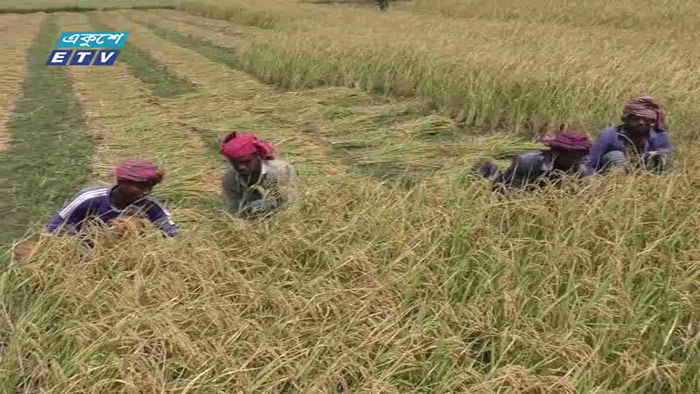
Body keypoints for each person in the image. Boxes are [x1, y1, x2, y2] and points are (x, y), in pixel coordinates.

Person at [46, 158, 179, 239]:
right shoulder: (89, 198)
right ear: (121, 182)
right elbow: (55, 227)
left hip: (125, 254)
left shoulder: (149, 204)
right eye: (140, 187)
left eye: (150, 187)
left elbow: (170, 229)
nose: (146, 192)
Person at [475, 131, 592, 193]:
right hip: (506, 187)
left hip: (540, 196)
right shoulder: (527, 162)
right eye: (576, 154)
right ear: (559, 152)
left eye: (582, 154)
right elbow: (512, 194)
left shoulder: (581, 171)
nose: (581, 158)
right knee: (488, 179)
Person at [584, 96, 674, 175]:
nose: (641, 122)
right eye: (636, 118)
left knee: (662, 157)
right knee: (616, 156)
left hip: (646, 175)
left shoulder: (660, 136)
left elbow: (669, 160)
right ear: (627, 119)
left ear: (651, 122)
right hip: (612, 177)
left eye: (646, 119)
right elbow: (591, 163)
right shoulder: (609, 135)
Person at [219, 132, 300, 219]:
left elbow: (291, 204)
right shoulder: (230, 179)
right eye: (234, 162)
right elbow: (235, 210)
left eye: (246, 162)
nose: (240, 167)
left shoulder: (281, 171)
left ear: (258, 157)